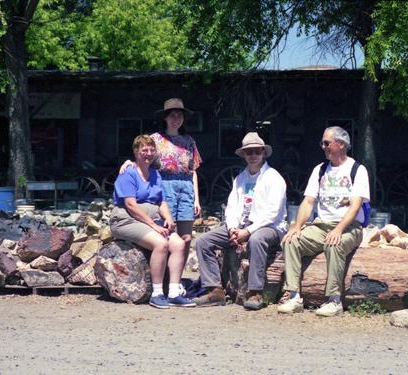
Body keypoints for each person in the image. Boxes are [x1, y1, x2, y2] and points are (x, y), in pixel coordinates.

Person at [278, 126, 370, 317]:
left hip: (349, 226)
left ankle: (334, 300)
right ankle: (294, 296)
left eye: (327, 143)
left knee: (334, 244)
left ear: (341, 144)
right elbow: (308, 201)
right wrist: (296, 226)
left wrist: (339, 229)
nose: (323, 147)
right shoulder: (319, 170)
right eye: (322, 143)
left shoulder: (357, 170)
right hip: (321, 225)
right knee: (291, 240)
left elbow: (355, 206)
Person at [193, 132, 287, 310]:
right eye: (249, 152)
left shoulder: (274, 178)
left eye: (257, 152)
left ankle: (255, 292)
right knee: (203, 241)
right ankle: (215, 290)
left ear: (263, 153)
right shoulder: (241, 178)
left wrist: (247, 232)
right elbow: (232, 207)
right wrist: (233, 228)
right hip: (241, 226)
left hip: (269, 227)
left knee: (256, 239)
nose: (253, 156)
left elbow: (272, 214)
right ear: (243, 154)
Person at [111, 135, 196, 308]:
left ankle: (173, 292)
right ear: (136, 152)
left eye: (151, 150)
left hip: (150, 219)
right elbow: (130, 205)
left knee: (179, 244)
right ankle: (157, 293)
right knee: (161, 244)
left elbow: (161, 201)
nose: (148, 154)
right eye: (144, 150)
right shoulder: (128, 173)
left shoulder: (156, 174)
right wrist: (153, 225)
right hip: (126, 220)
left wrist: (169, 218)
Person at [120, 98, 202, 275]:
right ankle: (162, 278)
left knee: (186, 237)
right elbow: (144, 158)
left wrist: (197, 199)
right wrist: (129, 162)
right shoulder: (156, 139)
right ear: (165, 118)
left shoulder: (189, 141)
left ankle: (177, 279)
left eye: (179, 116)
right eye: (172, 115)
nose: (176, 119)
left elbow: (193, 170)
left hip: (186, 188)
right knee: (167, 232)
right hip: (165, 186)